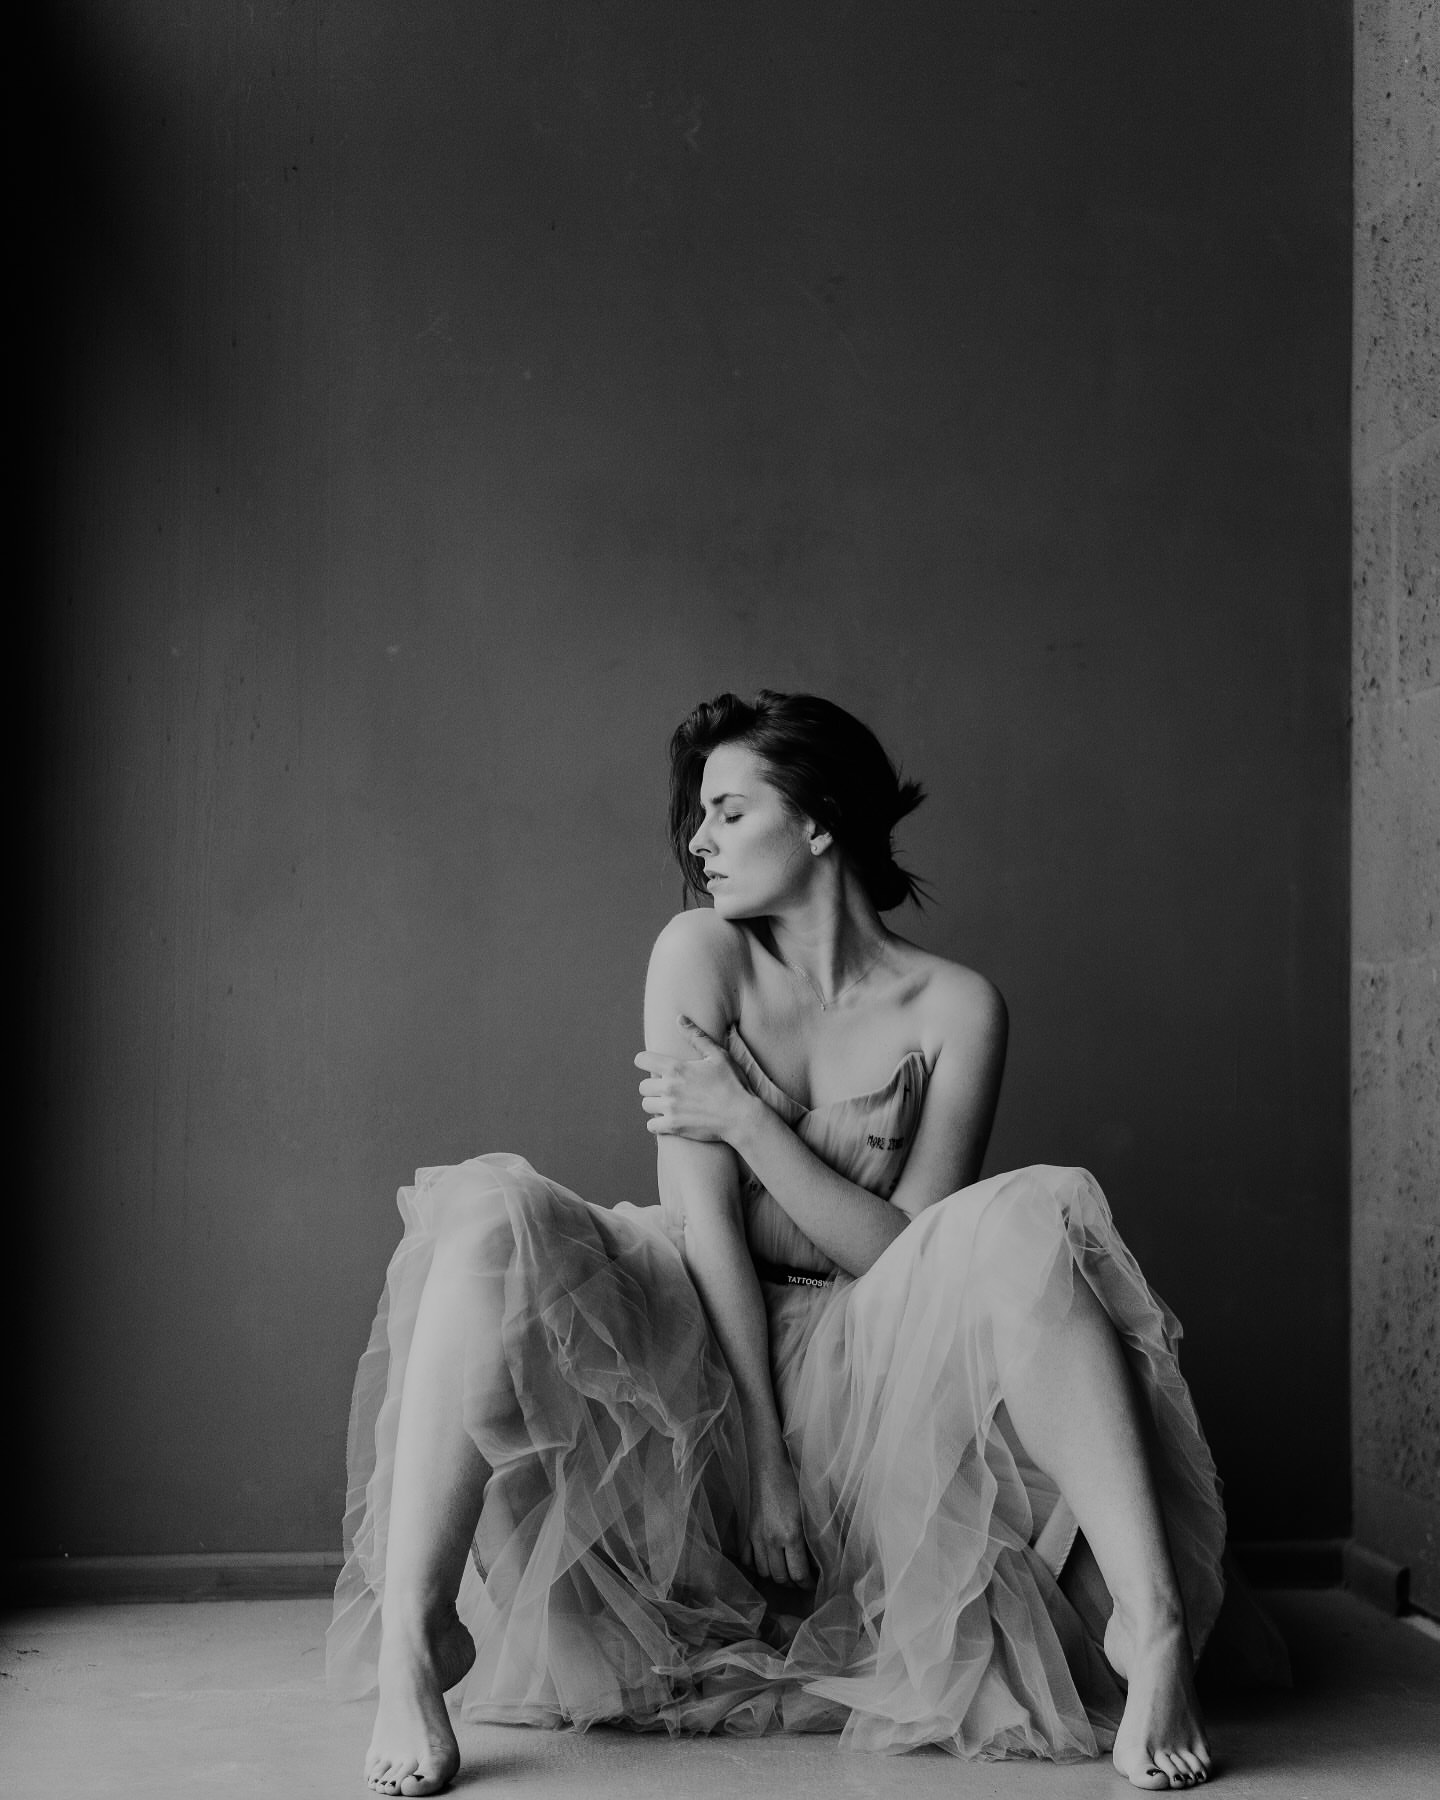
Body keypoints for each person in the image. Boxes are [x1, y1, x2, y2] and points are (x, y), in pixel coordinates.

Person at [328, 689, 1226, 1796]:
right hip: (701, 1328)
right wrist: (763, 1458)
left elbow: (910, 1256)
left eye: (730, 811)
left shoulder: (957, 1008)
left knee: (1025, 1221)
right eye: (699, 817)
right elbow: (703, 1218)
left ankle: (1152, 1625)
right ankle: (417, 1641)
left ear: (818, 819)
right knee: (483, 1220)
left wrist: (750, 1120)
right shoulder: (697, 953)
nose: (699, 843)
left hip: (877, 1351)